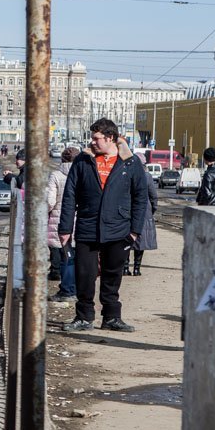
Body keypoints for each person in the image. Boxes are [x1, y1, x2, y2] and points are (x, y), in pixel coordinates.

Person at [58, 117, 148, 333]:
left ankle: (111, 317)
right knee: (85, 274)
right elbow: (70, 194)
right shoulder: (83, 160)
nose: (92, 142)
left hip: (119, 229)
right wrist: (65, 228)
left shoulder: (130, 162)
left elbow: (140, 197)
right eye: (92, 137)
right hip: (88, 226)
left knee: (112, 274)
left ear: (110, 138)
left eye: (97, 138)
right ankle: (83, 317)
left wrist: (135, 231)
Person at [47, 146, 77, 301]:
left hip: (59, 221)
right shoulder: (82, 173)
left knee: (65, 256)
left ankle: (66, 290)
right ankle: (76, 289)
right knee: (76, 256)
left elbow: (50, 201)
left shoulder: (56, 175)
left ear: (62, 159)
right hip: (78, 220)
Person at [126, 165, 158, 276]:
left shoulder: (126, 173)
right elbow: (153, 195)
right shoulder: (147, 176)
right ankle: (136, 268)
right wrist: (153, 209)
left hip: (127, 209)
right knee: (141, 241)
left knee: (126, 239)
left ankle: (125, 268)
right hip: (144, 211)